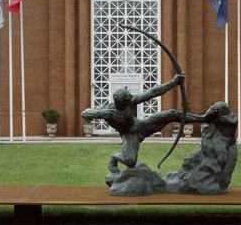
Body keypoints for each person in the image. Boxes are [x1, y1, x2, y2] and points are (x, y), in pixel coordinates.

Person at [81, 73, 219, 173]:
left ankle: (203, 118)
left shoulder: (130, 101)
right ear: (122, 102)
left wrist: (174, 82)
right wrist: (100, 113)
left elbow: (153, 92)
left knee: (171, 114)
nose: (132, 100)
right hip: (130, 135)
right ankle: (114, 156)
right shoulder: (109, 111)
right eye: (129, 99)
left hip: (142, 126)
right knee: (130, 162)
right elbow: (85, 113)